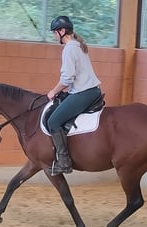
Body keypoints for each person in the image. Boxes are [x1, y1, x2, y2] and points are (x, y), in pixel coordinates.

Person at [46, 15, 102, 175]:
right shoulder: (78, 45)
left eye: (55, 32)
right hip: (90, 90)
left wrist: (53, 91)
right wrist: (65, 90)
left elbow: (67, 78)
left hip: (84, 93)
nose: (54, 35)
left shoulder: (69, 48)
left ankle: (63, 161)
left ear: (62, 31)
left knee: (54, 121)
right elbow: (75, 77)